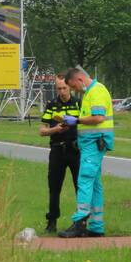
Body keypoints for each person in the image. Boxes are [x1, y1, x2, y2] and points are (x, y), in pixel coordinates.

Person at [58, 67, 115, 238]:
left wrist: (76, 120)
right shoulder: (92, 92)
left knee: (84, 180)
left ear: (80, 80)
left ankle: (80, 221)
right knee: (95, 184)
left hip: (95, 143)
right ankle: (97, 225)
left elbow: (98, 118)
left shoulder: (96, 92)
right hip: (92, 143)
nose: (75, 90)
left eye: (74, 87)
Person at [39, 74, 81, 234]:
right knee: (54, 187)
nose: (62, 91)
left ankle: (80, 220)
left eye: (64, 88)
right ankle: (52, 220)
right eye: (59, 88)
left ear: (70, 87)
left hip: (75, 149)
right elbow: (42, 131)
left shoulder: (78, 104)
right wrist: (54, 129)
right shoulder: (52, 105)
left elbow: (85, 123)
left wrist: (74, 125)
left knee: (80, 186)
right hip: (57, 149)